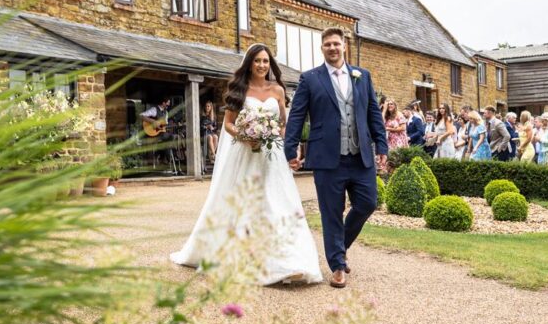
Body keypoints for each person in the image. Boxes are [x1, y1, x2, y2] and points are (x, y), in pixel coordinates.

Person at [171, 43, 322, 286]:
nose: (262, 65)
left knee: (278, 202)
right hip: (245, 154)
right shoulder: (239, 89)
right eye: (257, 61)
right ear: (249, 63)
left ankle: (290, 261)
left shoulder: (278, 90)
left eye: (265, 61)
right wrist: (245, 136)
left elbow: (282, 124)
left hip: (271, 157)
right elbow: (229, 123)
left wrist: (287, 148)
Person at [285, 28, 388, 288]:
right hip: (326, 157)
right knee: (331, 212)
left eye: (336, 44)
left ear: (344, 46)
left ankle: (339, 249)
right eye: (327, 44)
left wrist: (382, 147)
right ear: (322, 49)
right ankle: (338, 266)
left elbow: (373, 113)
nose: (332, 48)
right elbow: (297, 116)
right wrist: (291, 149)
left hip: (360, 154)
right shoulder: (310, 79)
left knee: (367, 203)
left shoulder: (362, 76)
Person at [140, 96, 180, 174]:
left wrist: (172, 126)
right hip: (151, 134)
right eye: (167, 104)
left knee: (171, 137)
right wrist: (152, 121)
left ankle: (164, 157)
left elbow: (164, 126)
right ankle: (166, 158)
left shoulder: (166, 113)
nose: (168, 106)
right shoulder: (154, 109)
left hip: (160, 134)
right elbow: (141, 115)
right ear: (163, 103)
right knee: (170, 137)